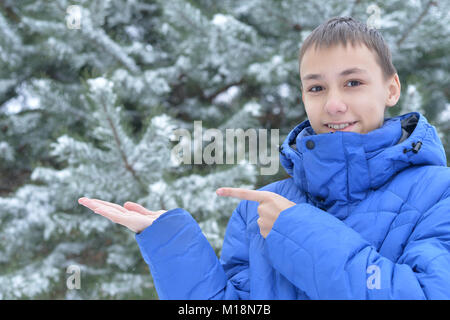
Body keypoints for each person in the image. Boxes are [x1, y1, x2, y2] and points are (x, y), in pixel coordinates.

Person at [78, 16, 450, 299]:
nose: (334, 104)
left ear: (391, 88)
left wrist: (298, 231)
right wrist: (173, 242)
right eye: (316, 87)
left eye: (353, 82)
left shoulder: (439, 194)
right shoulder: (260, 209)